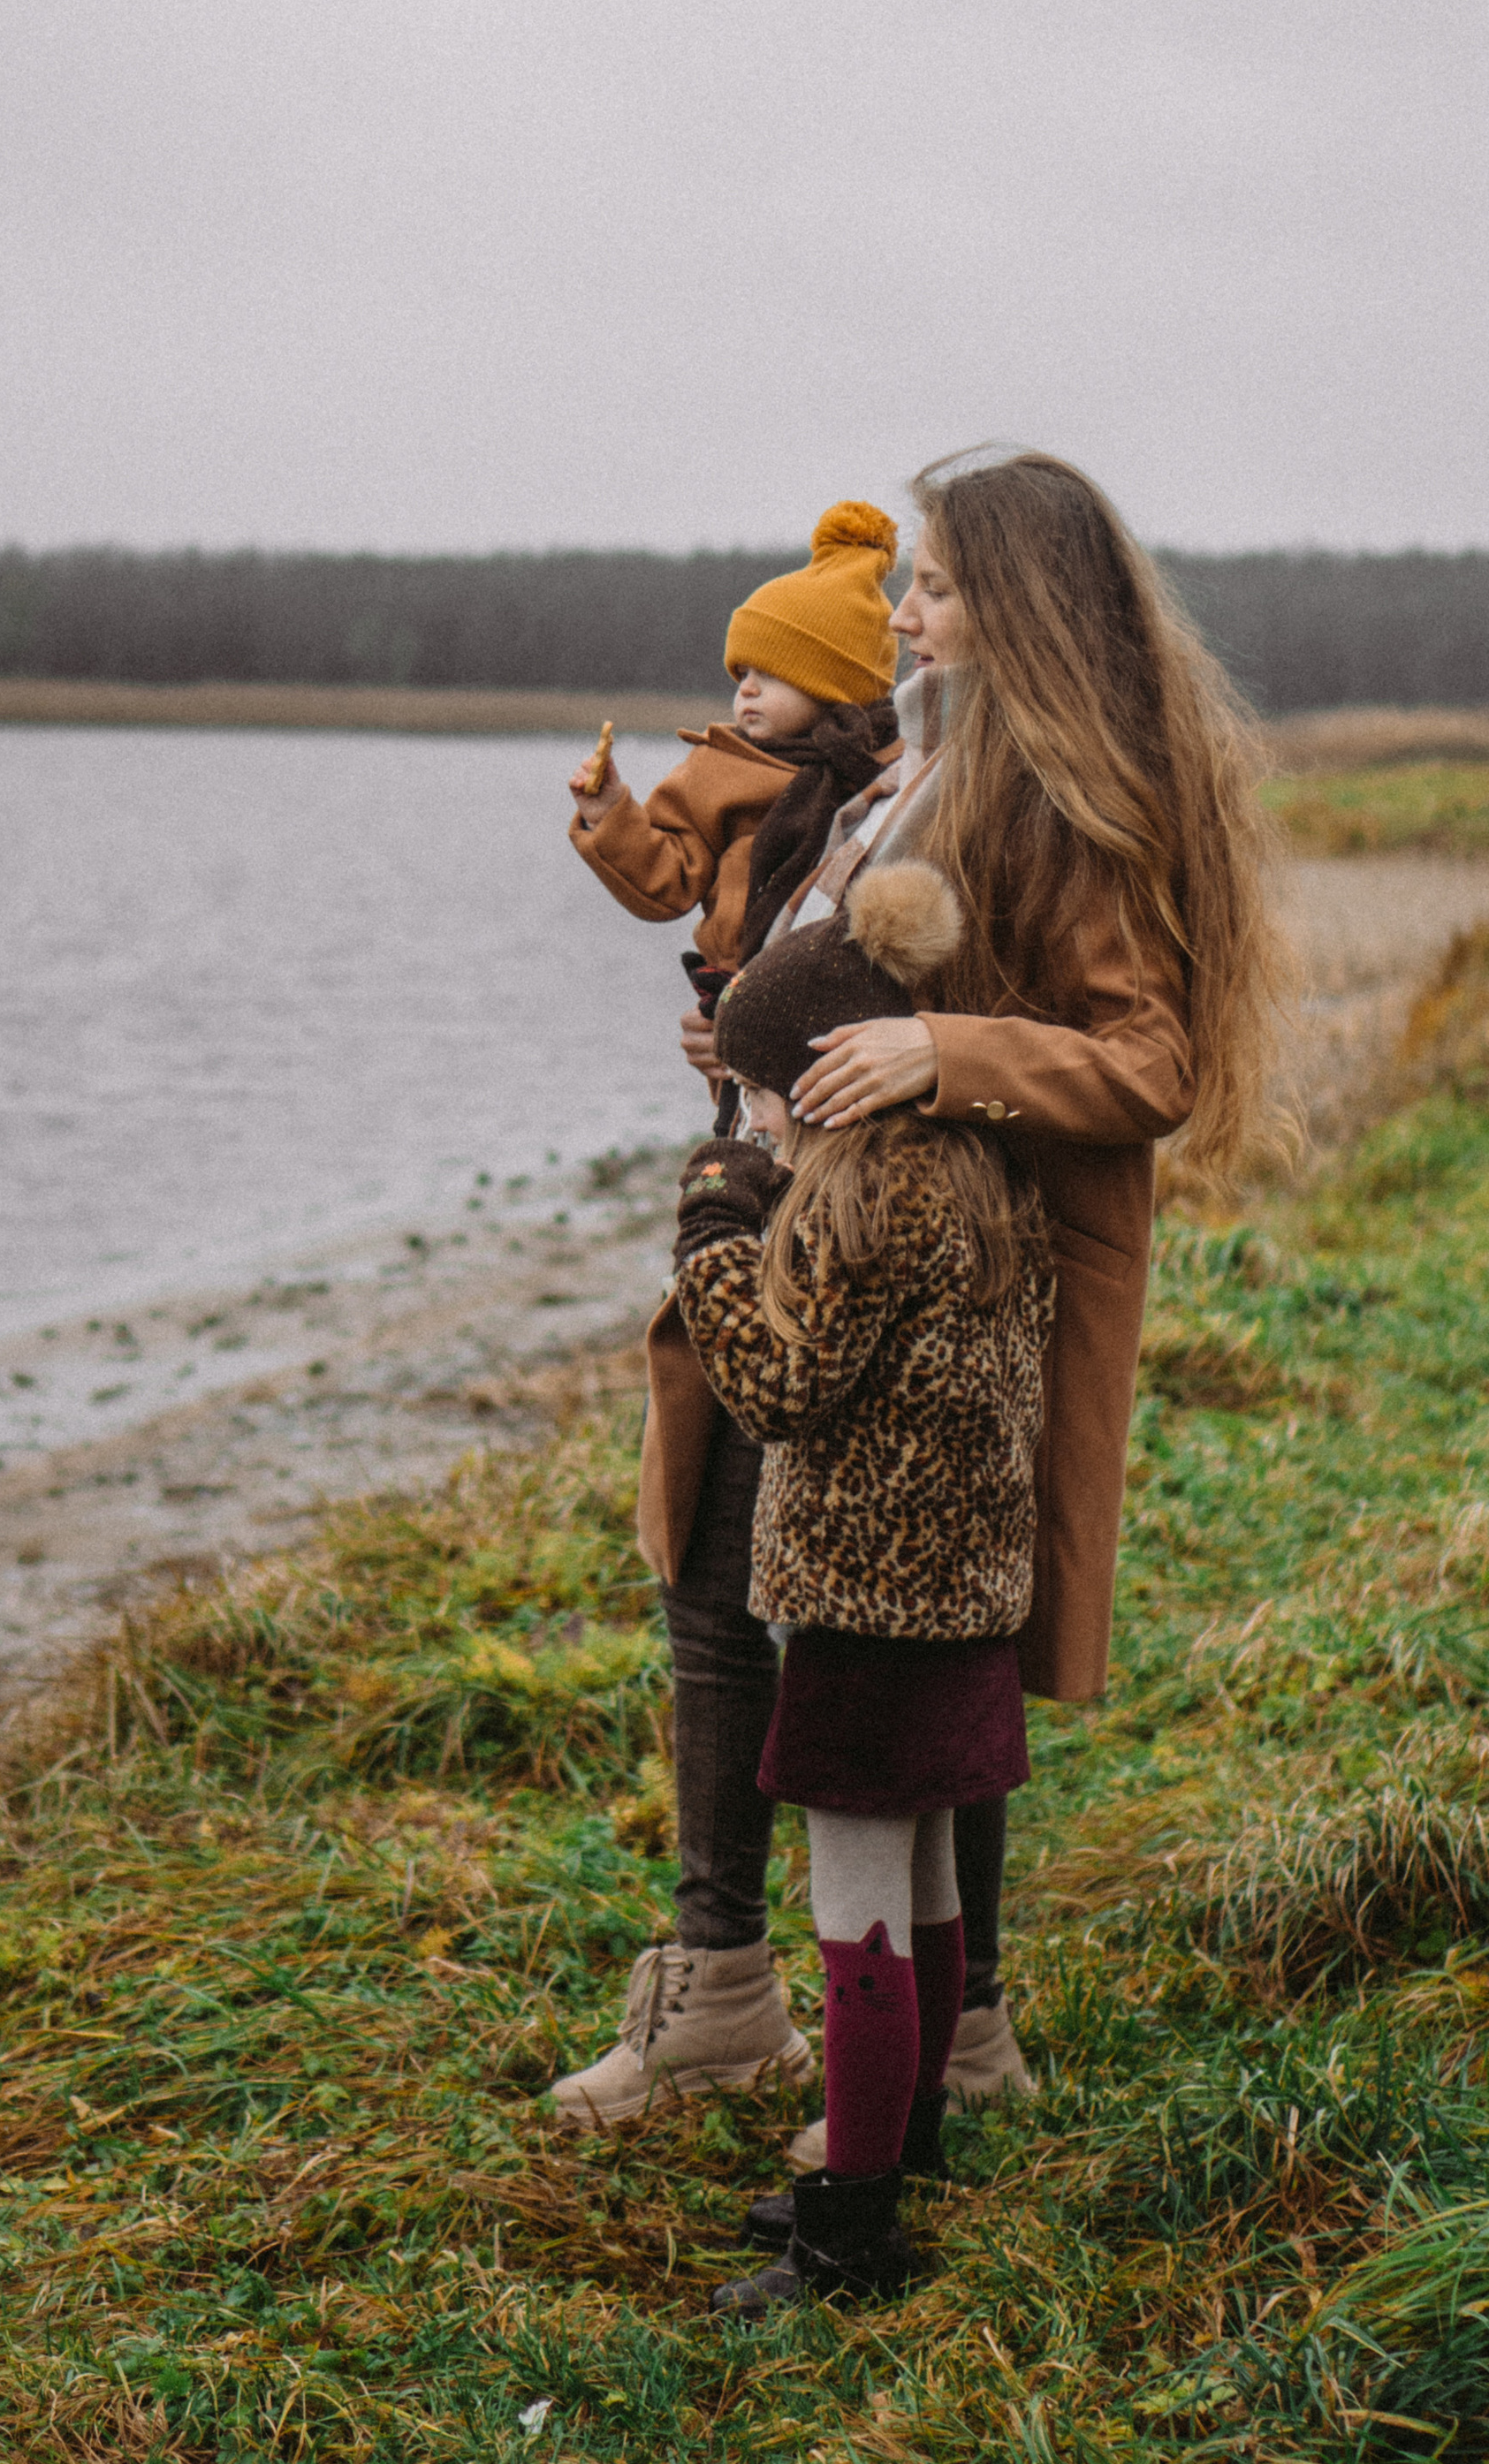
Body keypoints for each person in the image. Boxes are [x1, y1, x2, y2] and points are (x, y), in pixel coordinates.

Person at [551, 445, 1287, 2143]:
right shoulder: (915, 772)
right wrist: (752, 1033)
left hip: (913, 1293)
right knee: (722, 1597)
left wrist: (932, 1056)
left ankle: (948, 2039)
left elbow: (1151, 1058)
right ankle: (728, 1993)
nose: (901, 611)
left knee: (913, 1645)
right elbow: (852, 955)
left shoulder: (1061, 792)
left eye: (936, 583)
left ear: (1016, 603)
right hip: (810, 1234)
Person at [670, 859, 1055, 2311]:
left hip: (862, 1606)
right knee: (935, 1886)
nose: (756, 1125)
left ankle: (854, 2233)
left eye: (768, 1099)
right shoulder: (983, 1166)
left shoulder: (857, 1199)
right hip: (959, 1596)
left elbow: (776, 1389)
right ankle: (910, 2137)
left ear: (826, 1088)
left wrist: (715, 1227)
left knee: (862, 1927)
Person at [566, 502, 903, 976]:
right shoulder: (719, 768)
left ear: (834, 686)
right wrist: (608, 816)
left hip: (851, 989)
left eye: (770, 673)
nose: (746, 688)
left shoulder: (893, 768)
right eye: (742, 672)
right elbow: (669, 883)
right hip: (738, 980)